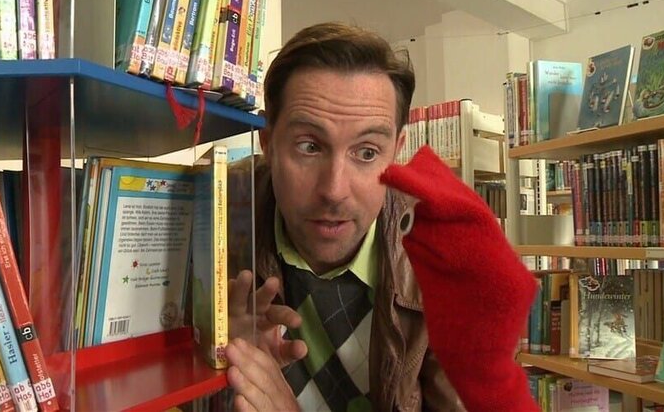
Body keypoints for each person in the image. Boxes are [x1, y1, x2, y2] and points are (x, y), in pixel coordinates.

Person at [224, 22, 537, 411]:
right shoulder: (216, 206)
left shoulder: (445, 259)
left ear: (396, 152)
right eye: (309, 147)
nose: (334, 189)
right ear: (268, 144)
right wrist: (216, 360)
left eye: (367, 152)